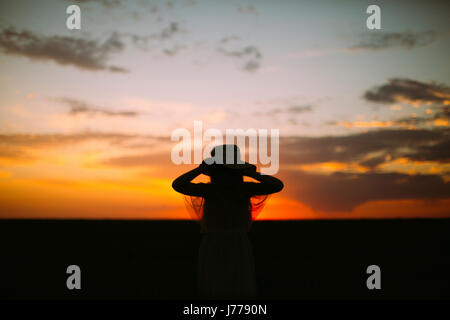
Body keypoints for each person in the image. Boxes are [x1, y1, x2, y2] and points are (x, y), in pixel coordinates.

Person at [172, 144, 283, 299]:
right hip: (219, 243)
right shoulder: (211, 190)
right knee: (223, 282)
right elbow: (177, 185)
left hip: (231, 243)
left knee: (229, 282)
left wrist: (251, 173)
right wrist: (199, 170)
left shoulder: (242, 189)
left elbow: (278, 185)